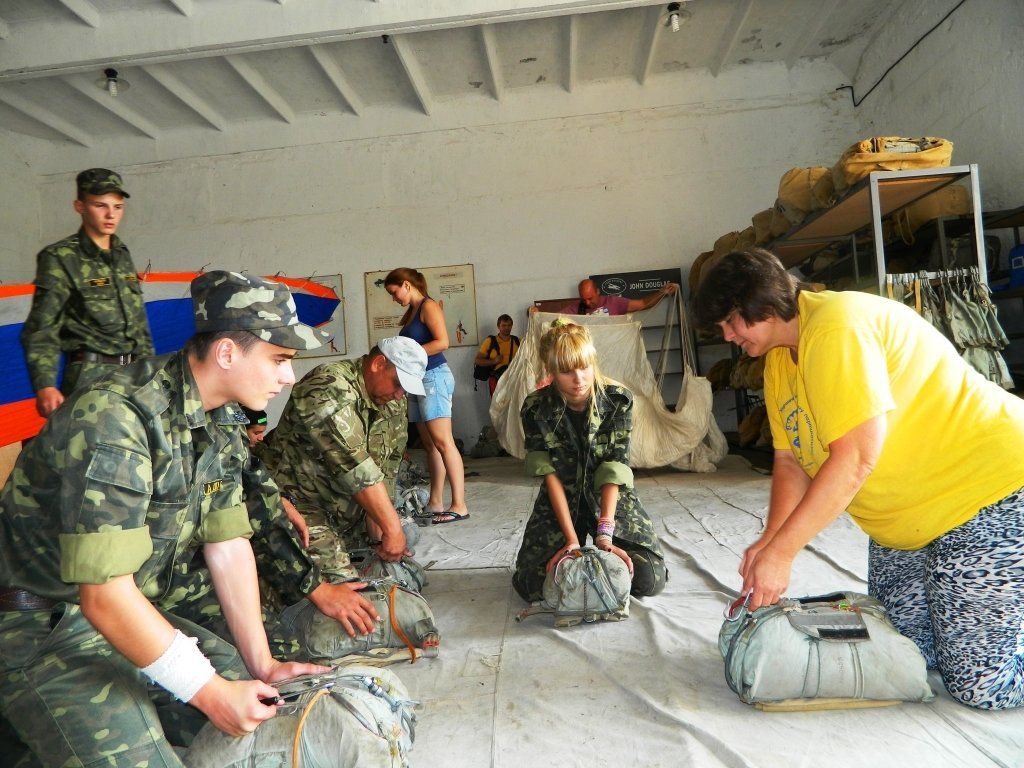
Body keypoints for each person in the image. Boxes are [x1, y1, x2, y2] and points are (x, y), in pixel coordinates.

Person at [0, 271, 332, 766]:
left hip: (124, 613)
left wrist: (261, 666)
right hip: (39, 625)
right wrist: (211, 692)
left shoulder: (220, 418)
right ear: (226, 354)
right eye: (279, 359)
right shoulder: (116, 417)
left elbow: (228, 544)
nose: (288, 377)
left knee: (262, 707)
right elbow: (104, 593)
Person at [692, 247, 1024, 711]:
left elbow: (855, 458)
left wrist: (784, 554)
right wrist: (769, 542)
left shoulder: (836, 325)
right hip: (907, 524)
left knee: (982, 686)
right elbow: (790, 462)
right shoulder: (780, 361)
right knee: (909, 655)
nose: (728, 336)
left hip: (985, 492)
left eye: (731, 321)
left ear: (762, 304)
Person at [254, 336, 427, 634]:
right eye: (398, 384)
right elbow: (356, 468)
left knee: (403, 555)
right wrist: (391, 528)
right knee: (349, 603)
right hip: (297, 506)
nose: (400, 396)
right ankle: (267, 581)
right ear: (378, 364)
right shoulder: (328, 388)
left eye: (406, 390)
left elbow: (385, 467)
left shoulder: (391, 402)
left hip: (344, 509)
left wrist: (379, 525)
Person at [512, 320, 668, 602]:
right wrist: (571, 541)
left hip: (607, 499)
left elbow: (614, 468)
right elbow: (550, 476)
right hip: (561, 501)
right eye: (567, 371)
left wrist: (605, 537)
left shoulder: (617, 400)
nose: (579, 378)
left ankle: (595, 564)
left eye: (584, 367)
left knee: (649, 579)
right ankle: (582, 559)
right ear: (551, 371)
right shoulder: (535, 408)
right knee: (530, 584)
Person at [21, 168, 154, 418]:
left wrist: (149, 372)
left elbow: (139, 323)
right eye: (100, 205)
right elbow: (42, 327)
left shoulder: (121, 254)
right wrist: (45, 385)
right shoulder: (60, 257)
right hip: (90, 376)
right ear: (79, 207)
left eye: (118, 206)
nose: (110, 214)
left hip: (133, 376)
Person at [384, 267, 469, 524]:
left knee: (444, 442)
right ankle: (435, 501)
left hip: (434, 376)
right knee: (430, 445)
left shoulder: (428, 307)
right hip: (417, 380)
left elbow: (443, 342)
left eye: (394, 291)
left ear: (407, 284)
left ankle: (459, 505)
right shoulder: (411, 313)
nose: (394, 298)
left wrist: (408, 355)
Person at [545, 278, 677, 316]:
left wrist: (662, 293)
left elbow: (642, 304)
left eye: (590, 298)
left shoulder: (614, 302)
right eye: (583, 299)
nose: (587, 302)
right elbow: (552, 319)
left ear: (598, 291)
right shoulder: (575, 309)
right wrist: (534, 313)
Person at [474, 313, 520, 396]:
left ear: (512, 326)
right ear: (498, 326)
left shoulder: (517, 341)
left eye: (509, 325)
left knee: (513, 407)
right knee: (497, 407)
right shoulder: (490, 341)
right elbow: (477, 360)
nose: (506, 328)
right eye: (504, 325)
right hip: (497, 380)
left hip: (514, 379)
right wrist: (494, 361)